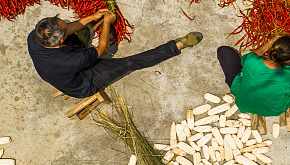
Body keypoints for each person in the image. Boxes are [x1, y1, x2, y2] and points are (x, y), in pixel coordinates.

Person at [28, 11, 202, 99]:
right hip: (85, 82)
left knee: (77, 32)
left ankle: (82, 35)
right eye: (64, 30)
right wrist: (107, 22)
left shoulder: (35, 37)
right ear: (60, 41)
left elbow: (68, 29)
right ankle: (176, 46)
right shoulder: (74, 60)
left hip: (61, 67)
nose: (67, 25)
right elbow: (102, 47)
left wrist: (92, 17)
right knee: (130, 63)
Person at [217, 36, 290, 118]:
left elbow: (252, 55)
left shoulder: (251, 60)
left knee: (224, 51)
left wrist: (270, 42)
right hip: (275, 109)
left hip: (243, 103)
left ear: (272, 49)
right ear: (288, 60)